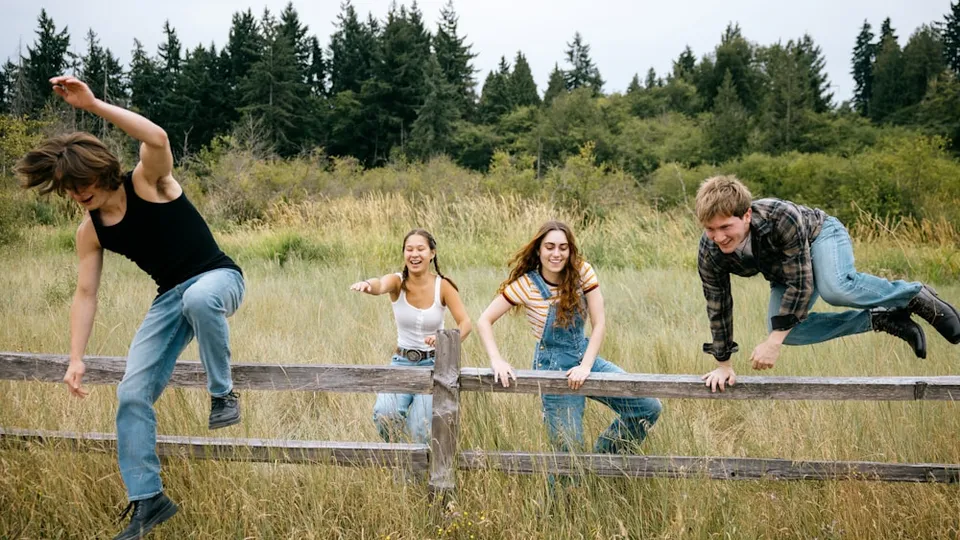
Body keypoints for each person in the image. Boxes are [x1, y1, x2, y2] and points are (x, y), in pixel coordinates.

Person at [15, 76, 245, 539]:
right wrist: (76, 357)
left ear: (99, 171)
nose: (77, 195)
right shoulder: (91, 230)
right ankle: (147, 499)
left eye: (80, 184)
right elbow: (85, 294)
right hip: (169, 298)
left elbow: (156, 138)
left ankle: (223, 394)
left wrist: (92, 103)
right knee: (131, 393)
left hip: (219, 278)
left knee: (200, 297)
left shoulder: (148, 183)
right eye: (67, 189)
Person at [696, 175, 960, 392]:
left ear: (746, 215)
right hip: (785, 271)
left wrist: (772, 343)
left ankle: (915, 296)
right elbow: (718, 306)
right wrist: (724, 364)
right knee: (791, 332)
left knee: (835, 288)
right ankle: (883, 319)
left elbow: (802, 283)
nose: (718, 237)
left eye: (725, 227)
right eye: (710, 229)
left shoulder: (780, 217)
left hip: (819, 236)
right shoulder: (710, 252)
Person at [476, 220, 661, 455]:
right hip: (552, 368)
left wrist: (585, 367)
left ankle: (605, 456)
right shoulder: (526, 285)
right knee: (569, 449)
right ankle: (566, 489)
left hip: (586, 356)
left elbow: (599, 323)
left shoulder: (583, 272)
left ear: (570, 250)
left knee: (648, 406)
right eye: (550, 247)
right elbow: (484, 320)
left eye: (563, 247)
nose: (557, 253)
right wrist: (497, 360)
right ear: (539, 250)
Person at [350, 229, 471, 445]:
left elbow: (466, 324)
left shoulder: (443, 286)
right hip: (402, 362)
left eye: (420, 249)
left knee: (420, 429)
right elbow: (379, 284)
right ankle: (401, 457)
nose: (414, 254)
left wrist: (446, 340)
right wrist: (368, 285)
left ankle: (415, 471)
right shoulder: (398, 282)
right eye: (409, 249)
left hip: (435, 364)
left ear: (432, 253)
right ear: (404, 254)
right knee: (385, 415)